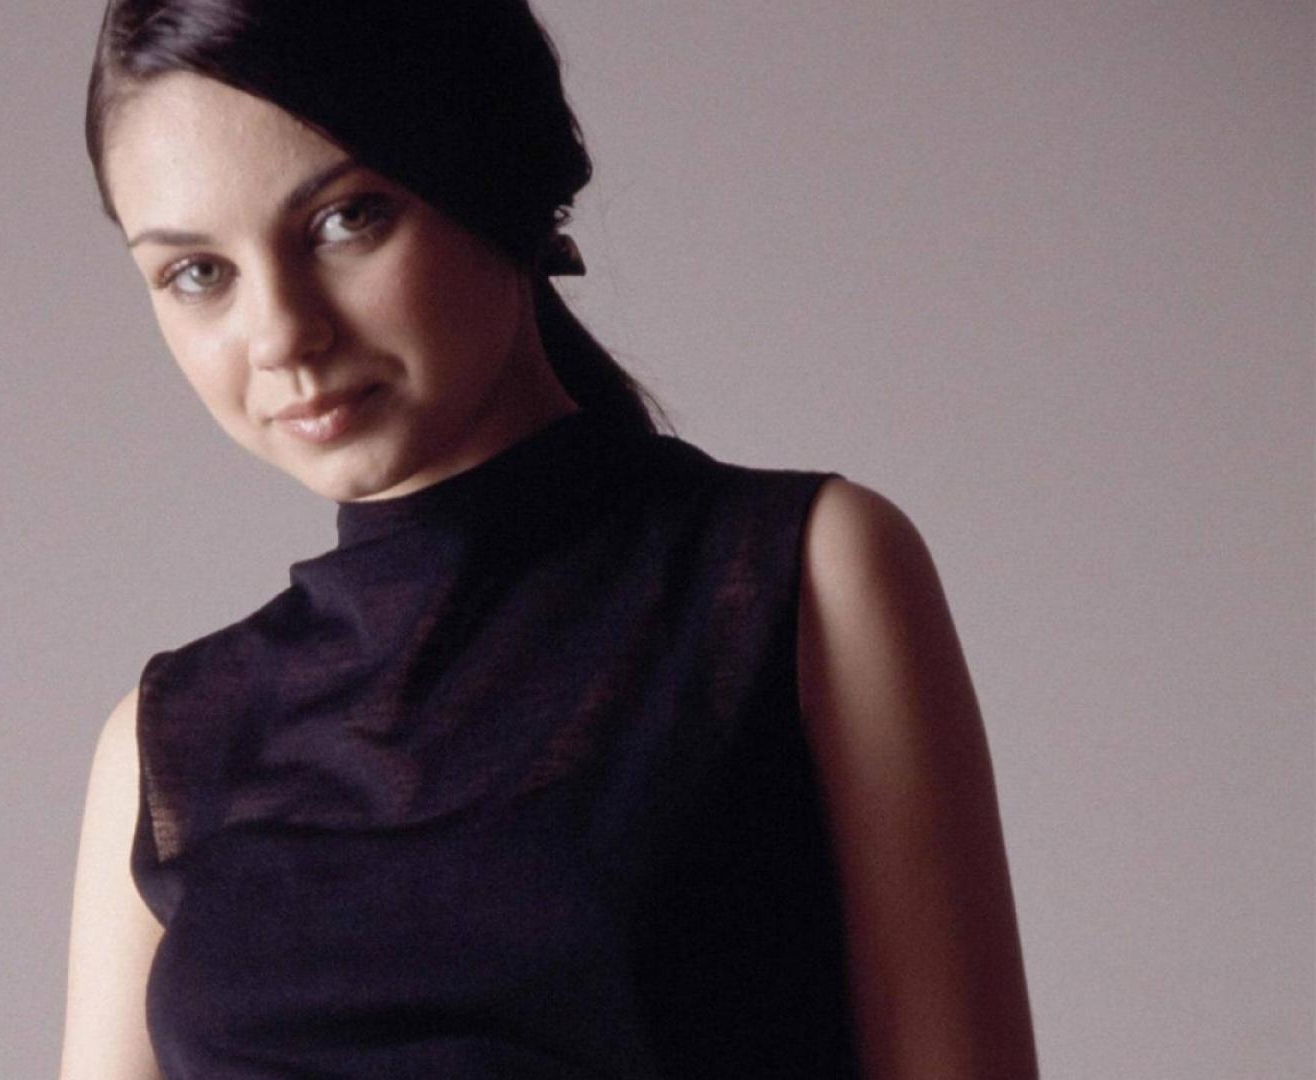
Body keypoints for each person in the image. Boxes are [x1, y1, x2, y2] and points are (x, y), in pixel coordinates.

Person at [61, 1, 1038, 1076]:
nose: (282, 333)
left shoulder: (800, 575)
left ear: (497, 174)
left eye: (346, 219)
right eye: (198, 273)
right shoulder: (164, 745)